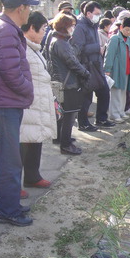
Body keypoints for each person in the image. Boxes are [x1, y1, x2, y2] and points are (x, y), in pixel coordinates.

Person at [0, 0, 38, 226]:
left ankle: (8, 204)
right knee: (9, 160)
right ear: (20, 9)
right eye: (28, 7)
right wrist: (28, 89)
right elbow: (10, 71)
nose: (30, 12)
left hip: (1, 101)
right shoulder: (5, 30)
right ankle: (8, 209)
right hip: (4, 102)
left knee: (6, 158)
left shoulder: (1, 26)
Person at [19, 11, 57, 190]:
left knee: (36, 140)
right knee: (23, 144)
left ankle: (33, 176)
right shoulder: (22, 49)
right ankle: (16, 184)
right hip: (28, 105)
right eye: (42, 29)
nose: (44, 33)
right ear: (31, 28)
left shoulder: (33, 47)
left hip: (38, 103)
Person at [48, 12, 90, 154]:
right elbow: (72, 62)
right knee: (69, 114)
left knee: (62, 112)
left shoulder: (56, 40)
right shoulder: (61, 43)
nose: (73, 28)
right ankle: (65, 145)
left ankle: (60, 138)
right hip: (68, 83)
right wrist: (85, 73)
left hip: (61, 81)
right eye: (72, 26)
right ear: (65, 26)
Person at [72, 1, 114, 131]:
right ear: (88, 13)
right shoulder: (80, 27)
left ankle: (101, 119)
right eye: (96, 14)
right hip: (87, 65)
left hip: (96, 64)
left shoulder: (93, 25)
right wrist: (97, 48)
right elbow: (77, 48)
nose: (98, 16)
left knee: (104, 91)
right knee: (86, 96)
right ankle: (83, 123)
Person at [104, 17, 130, 123]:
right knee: (116, 92)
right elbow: (109, 55)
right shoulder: (114, 39)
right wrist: (107, 69)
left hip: (126, 70)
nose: (129, 32)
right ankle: (114, 114)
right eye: (127, 29)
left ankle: (121, 111)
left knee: (123, 91)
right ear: (121, 27)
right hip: (116, 70)